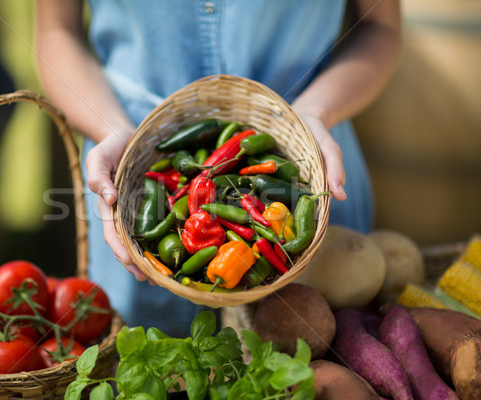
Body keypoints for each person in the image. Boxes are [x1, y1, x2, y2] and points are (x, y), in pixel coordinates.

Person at [35, 0, 402, 335]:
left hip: (308, 144)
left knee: (314, 364)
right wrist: (111, 129)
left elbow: (379, 26)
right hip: (127, 144)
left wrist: (312, 113)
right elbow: (56, 31)